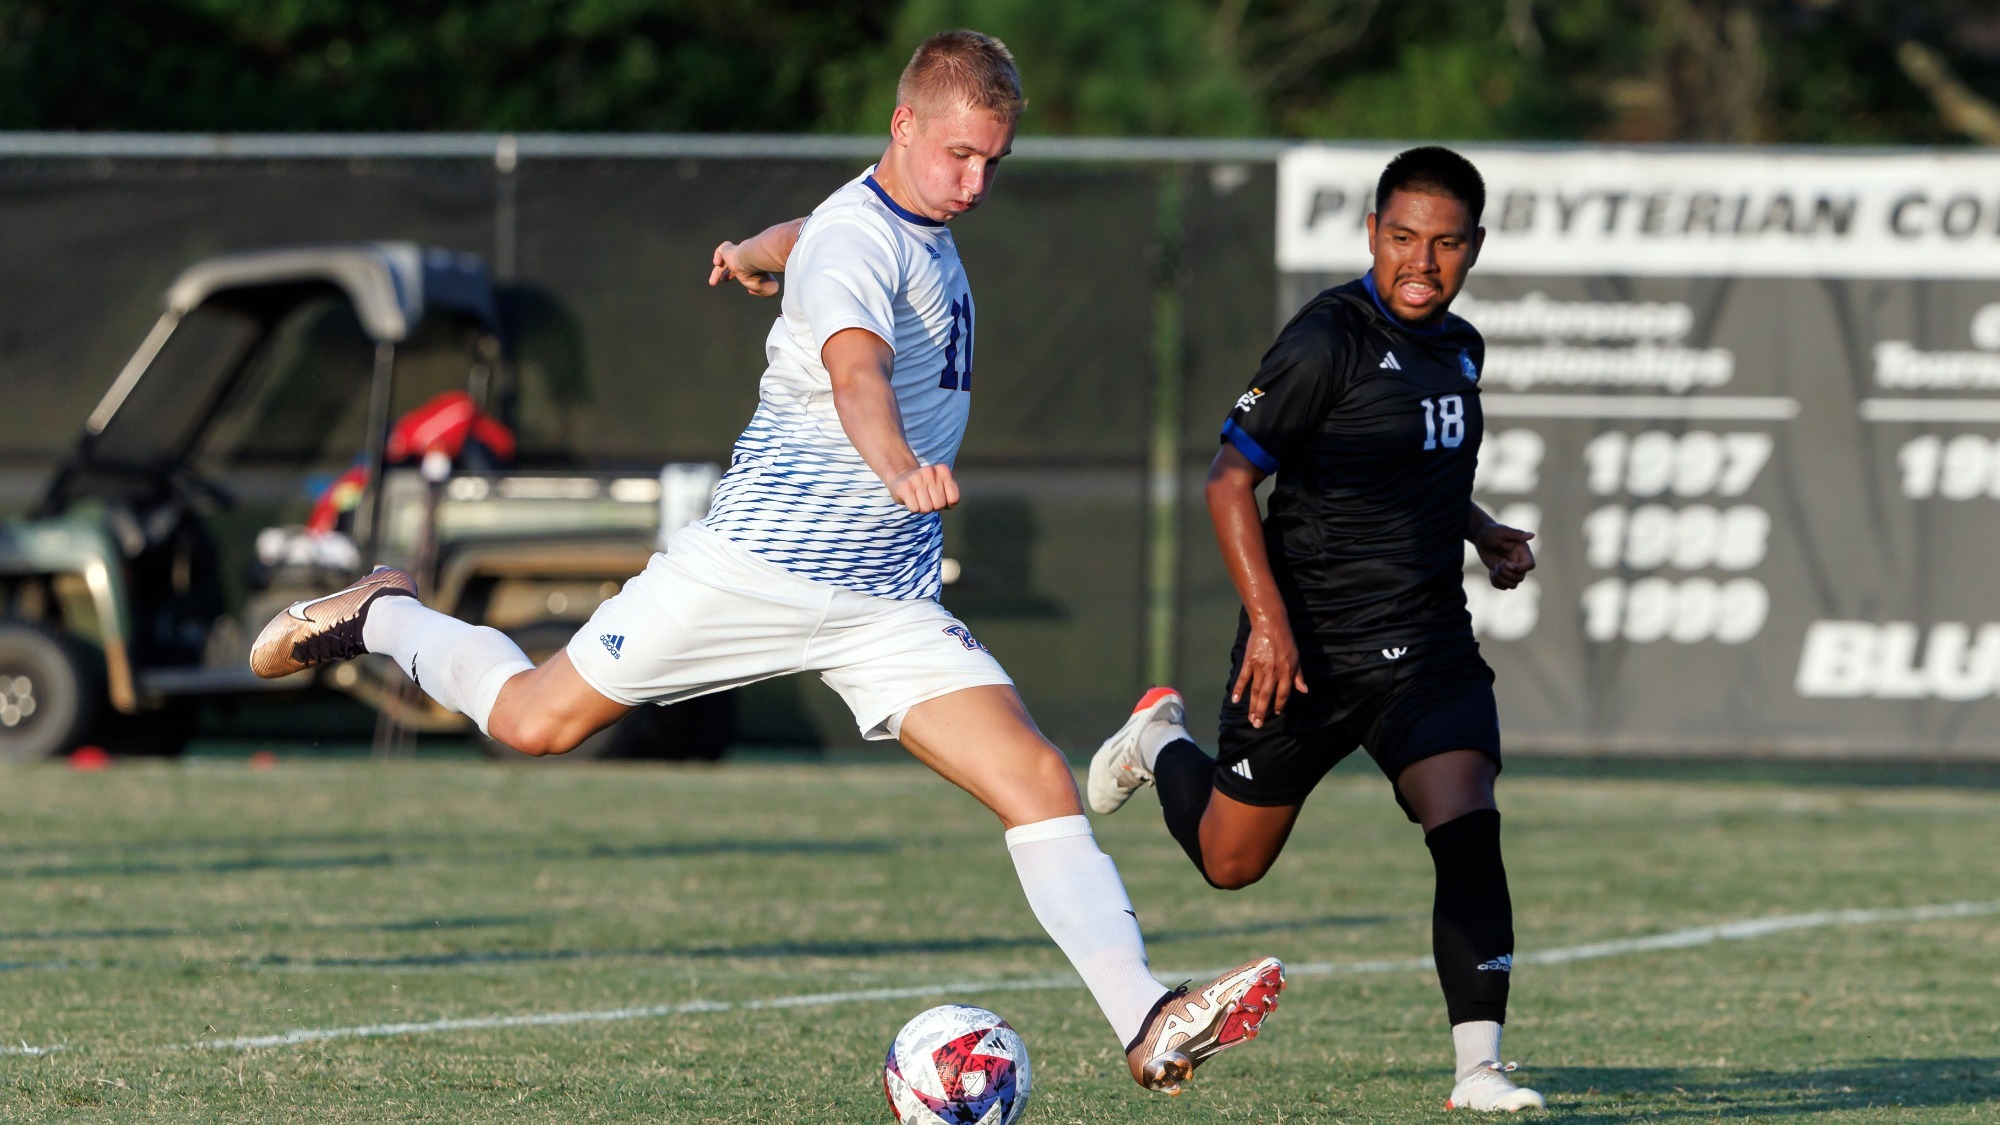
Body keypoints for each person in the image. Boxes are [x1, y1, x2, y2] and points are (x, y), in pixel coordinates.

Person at [250, 29, 1283, 1096]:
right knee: (530, 722)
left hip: (883, 597)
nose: (975, 183)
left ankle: (1146, 1017)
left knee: (1033, 779)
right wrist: (895, 463)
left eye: (993, 162)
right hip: (753, 572)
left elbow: (820, 227)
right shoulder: (859, 244)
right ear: (904, 126)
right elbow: (855, 373)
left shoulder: (885, 217)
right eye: (959, 157)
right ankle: (379, 614)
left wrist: (751, 248)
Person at [1085, 146, 1545, 1112]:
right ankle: (1156, 741)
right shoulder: (1325, 339)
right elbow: (1229, 479)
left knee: (1467, 824)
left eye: (1447, 243)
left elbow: (1421, 464)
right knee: (1230, 862)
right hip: (1307, 647)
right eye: (1404, 238)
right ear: (1373, 234)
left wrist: (1484, 528)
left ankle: (1480, 1069)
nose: (1423, 261)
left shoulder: (1461, 345)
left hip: (1425, 644)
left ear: (1475, 247)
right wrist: (1269, 625)